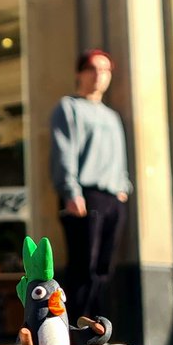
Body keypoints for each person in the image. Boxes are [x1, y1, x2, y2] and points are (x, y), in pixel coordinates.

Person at [49, 48, 132, 317]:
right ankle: (74, 330)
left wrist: (123, 188)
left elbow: (119, 156)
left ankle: (96, 328)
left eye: (106, 70)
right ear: (80, 73)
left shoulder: (112, 115)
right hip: (84, 197)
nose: (99, 76)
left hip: (113, 198)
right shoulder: (69, 107)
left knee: (104, 269)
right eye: (93, 69)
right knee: (83, 266)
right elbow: (64, 152)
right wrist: (71, 191)